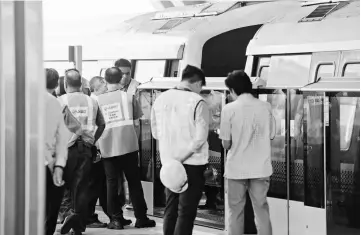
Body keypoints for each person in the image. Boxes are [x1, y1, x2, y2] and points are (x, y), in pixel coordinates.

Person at [151, 65, 210, 235]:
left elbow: (156, 133)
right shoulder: (198, 101)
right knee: (186, 211)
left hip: (169, 164)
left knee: (171, 207)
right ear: (198, 83)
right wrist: (182, 156)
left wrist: (173, 157)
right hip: (191, 164)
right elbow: (200, 138)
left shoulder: (160, 99)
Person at [97, 67, 156, 230]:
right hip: (129, 146)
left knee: (111, 184)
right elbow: (137, 121)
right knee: (134, 182)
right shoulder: (129, 97)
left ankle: (115, 219)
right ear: (121, 79)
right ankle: (141, 218)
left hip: (107, 147)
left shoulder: (97, 100)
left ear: (105, 80)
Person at [219, 70, 274, 235]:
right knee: (261, 210)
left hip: (237, 169)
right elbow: (271, 135)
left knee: (235, 211)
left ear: (233, 90)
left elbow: (226, 143)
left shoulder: (229, 109)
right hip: (260, 168)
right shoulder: (266, 107)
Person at [58, 68, 106, 235]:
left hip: (65, 149)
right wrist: (93, 140)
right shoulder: (92, 101)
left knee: (62, 185)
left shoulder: (60, 100)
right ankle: (77, 228)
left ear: (65, 84)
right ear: (81, 84)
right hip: (86, 150)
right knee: (81, 188)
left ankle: (68, 215)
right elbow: (102, 124)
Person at [114, 58, 141, 210]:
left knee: (132, 177)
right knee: (116, 178)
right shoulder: (109, 89)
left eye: (128, 73)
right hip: (116, 141)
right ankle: (120, 204)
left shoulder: (138, 88)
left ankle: (132, 205)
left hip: (132, 140)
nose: (125, 77)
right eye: (122, 74)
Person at [44, 68, 68, 235]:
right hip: (52, 163)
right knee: (51, 207)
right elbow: (73, 129)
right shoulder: (58, 103)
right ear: (57, 84)